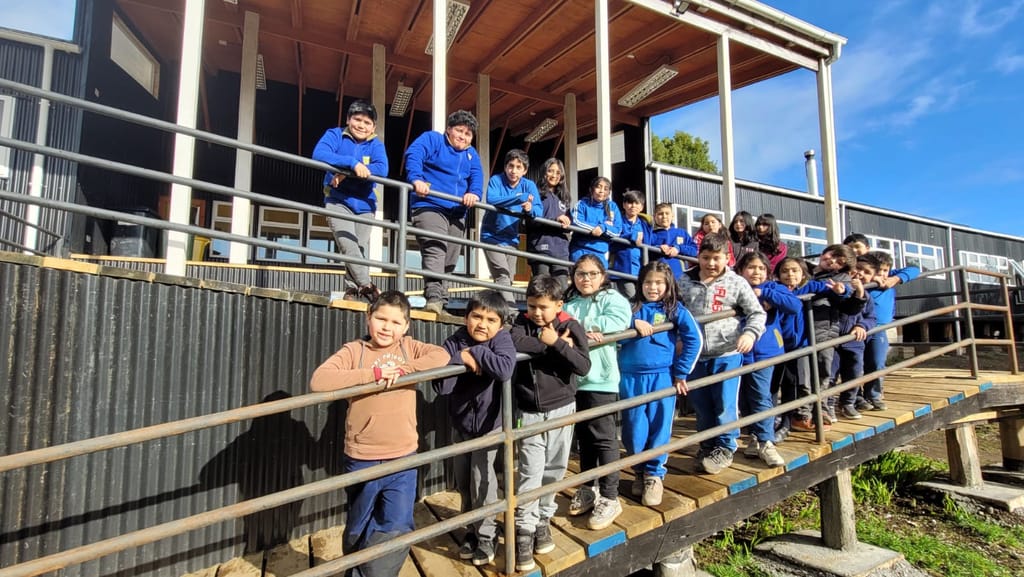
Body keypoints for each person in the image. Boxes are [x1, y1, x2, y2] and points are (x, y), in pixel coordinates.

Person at [310, 291, 450, 577]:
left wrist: (403, 370)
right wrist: (374, 374)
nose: (387, 327)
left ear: (407, 326)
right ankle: (355, 570)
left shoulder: (409, 348)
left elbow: (442, 356)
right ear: (367, 318)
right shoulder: (354, 351)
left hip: (403, 457)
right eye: (380, 319)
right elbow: (319, 380)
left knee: (396, 526)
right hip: (363, 458)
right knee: (358, 528)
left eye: (396, 322)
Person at [509, 274, 591, 572]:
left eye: (543, 307)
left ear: (559, 304)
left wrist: (558, 343)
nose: (537, 312)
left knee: (554, 470)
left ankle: (543, 519)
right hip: (529, 411)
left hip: (562, 408)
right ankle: (524, 532)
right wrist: (548, 345)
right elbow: (515, 340)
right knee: (530, 472)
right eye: (532, 305)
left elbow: (583, 364)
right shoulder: (521, 322)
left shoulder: (570, 326)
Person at [434, 290, 516, 567]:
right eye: (476, 316)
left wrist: (478, 352)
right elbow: (441, 385)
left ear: (500, 324)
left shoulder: (502, 339)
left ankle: (487, 535)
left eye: (490, 319)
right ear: (466, 317)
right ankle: (472, 528)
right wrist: (461, 358)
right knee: (464, 481)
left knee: (483, 481)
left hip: (490, 426)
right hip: (461, 424)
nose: (482, 324)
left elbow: (505, 369)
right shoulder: (454, 341)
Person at [677, 233, 766, 475]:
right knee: (702, 404)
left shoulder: (736, 282)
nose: (711, 264)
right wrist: (677, 340)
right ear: (698, 257)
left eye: (717, 258)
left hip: (726, 352)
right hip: (695, 355)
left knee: (724, 403)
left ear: (727, 258)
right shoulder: (684, 280)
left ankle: (725, 446)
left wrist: (749, 334)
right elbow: (672, 311)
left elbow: (757, 313)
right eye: (706, 258)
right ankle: (707, 445)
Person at [619, 261, 702, 504]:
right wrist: (631, 324)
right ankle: (638, 469)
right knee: (634, 428)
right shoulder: (629, 308)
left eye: (658, 283)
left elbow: (694, 339)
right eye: (647, 282)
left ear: (668, 285)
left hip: (662, 377)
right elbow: (611, 326)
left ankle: (654, 475)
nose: (652, 287)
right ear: (640, 284)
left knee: (659, 426)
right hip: (630, 377)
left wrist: (681, 372)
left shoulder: (674, 309)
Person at [563, 255, 632, 529]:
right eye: (581, 273)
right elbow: (561, 328)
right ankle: (588, 487)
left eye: (592, 273)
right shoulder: (569, 304)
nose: (586, 279)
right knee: (585, 440)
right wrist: (582, 333)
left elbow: (619, 319)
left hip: (601, 379)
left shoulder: (612, 298)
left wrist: (580, 331)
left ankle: (611, 496)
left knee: (604, 439)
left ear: (602, 276)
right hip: (575, 381)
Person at [405, 110, 485, 315]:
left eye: (468, 134)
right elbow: (414, 155)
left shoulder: (471, 154)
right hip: (429, 204)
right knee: (436, 249)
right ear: (448, 130)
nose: (463, 136)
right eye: (459, 130)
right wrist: (417, 179)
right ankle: (433, 298)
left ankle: (443, 300)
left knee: (451, 256)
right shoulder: (433, 139)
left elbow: (477, 176)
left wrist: (474, 193)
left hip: (457, 211)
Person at [312, 100, 389, 303]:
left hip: (365, 204)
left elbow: (382, 169)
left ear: (374, 127)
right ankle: (367, 286)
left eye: (367, 122)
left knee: (359, 248)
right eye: (357, 119)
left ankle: (352, 291)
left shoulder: (376, 145)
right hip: (338, 199)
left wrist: (347, 174)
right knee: (348, 244)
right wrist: (351, 164)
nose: (361, 125)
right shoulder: (335, 135)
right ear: (348, 119)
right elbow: (319, 154)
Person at [734, 251, 798, 467]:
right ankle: (754, 437)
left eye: (762, 268)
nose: (757, 272)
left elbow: (794, 305)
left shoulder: (774, 288)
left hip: (765, 350)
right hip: (738, 350)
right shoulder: (734, 286)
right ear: (741, 270)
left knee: (761, 395)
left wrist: (764, 294)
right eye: (751, 267)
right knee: (744, 398)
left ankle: (766, 441)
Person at [773, 256, 847, 434]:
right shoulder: (776, 288)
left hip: (802, 345)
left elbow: (829, 289)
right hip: (779, 345)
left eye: (794, 270)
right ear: (777, 274)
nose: (790, 274)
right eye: (784, 271)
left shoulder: (808, 287)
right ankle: (780, 417)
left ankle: (800, 414)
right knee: (777, 383)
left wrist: (841, 290)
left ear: (803, 273)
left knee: (803, 380)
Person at [809, 244, 866, 424]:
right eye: (830, 254)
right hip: (804, 329)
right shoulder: (808, 272)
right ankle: (805, 412)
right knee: (804, 374)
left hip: (825, 330)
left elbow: (848, 302)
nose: (831, 260)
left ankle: (823, 409)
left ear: (843, 266)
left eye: (838, 261)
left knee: (824, 372)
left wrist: (848, 292)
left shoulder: (841, 278)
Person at [481, 149, 542, 308]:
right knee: (502, 276)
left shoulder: (529, 185)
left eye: (518, 167)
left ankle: (497, 310)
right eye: (510, 166)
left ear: (525, 170)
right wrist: (519, 198)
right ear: (505, 167)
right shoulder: (496, 180)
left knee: (508, 278)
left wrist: (529, 208)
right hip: (491, 236)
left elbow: (539, 210)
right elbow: (492, 199)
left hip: (512, 238)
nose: (513, 171)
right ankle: (512, 311)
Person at [861, 249, 919, 410]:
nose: (881, 274)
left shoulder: (889, 278)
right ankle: (856, 397)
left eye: (885, 270)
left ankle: (874, 395)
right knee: (857, 364)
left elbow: (914, 269)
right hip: (860, 328)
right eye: (877, 271)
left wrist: (895, 278)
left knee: (878, 362)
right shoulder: (861, 280)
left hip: (879, 328)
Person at [833, 255, 877, 420]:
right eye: (857, 269)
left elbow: (871, 317)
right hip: (834, 340)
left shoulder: (867, 296)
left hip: (854, 342)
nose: (860, 274)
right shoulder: (839, 289)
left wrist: (862, 326)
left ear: (872, 277)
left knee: (854, 373)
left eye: (866, 272)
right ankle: (827, 404)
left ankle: (848, 403)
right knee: (830, 374)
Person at [526, 158, 573, 290]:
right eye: (550, 171)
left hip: (561, 251)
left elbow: (569, 223)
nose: (554, 175)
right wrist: (555, 221)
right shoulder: (535, 194)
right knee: (542, 290)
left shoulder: (564, 198)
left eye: (558, 173)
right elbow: (530, 221)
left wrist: (569, 223)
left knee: (562, 289)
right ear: (544, 173)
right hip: (540, 249)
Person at [569, 176, 622, 266]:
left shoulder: (612, 207)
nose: (602, 191)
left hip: (600, 253)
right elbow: (576, 221)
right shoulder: (582, 204)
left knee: (601, 279)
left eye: (606, 189)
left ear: (609, 192)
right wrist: (597, 228)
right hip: (580, 250)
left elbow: (617, 230)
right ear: (591, 189)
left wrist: (603, 227)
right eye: (598, 187)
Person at [609, 190, 652, 300]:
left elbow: (650, 243)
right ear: (624, 205)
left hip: (640, 270)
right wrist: (630, 236)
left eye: (637, 203)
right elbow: (612, 238)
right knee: (632, 298)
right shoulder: (617, 221)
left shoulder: (645, 224)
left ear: (642, 207)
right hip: (621, 268)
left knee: (639, 300)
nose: (633, 206)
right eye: (630, 202)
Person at [647, 202, 697, 278]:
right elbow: (645, 250)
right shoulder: (650, 234)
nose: (664, 216)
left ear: (672, 216)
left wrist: (679, 248)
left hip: (679, 276)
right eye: (660, 214)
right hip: (658, 275)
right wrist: (658, 248)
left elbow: (694, 251)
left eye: (667, 213)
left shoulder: (682, 233)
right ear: (654, 217)